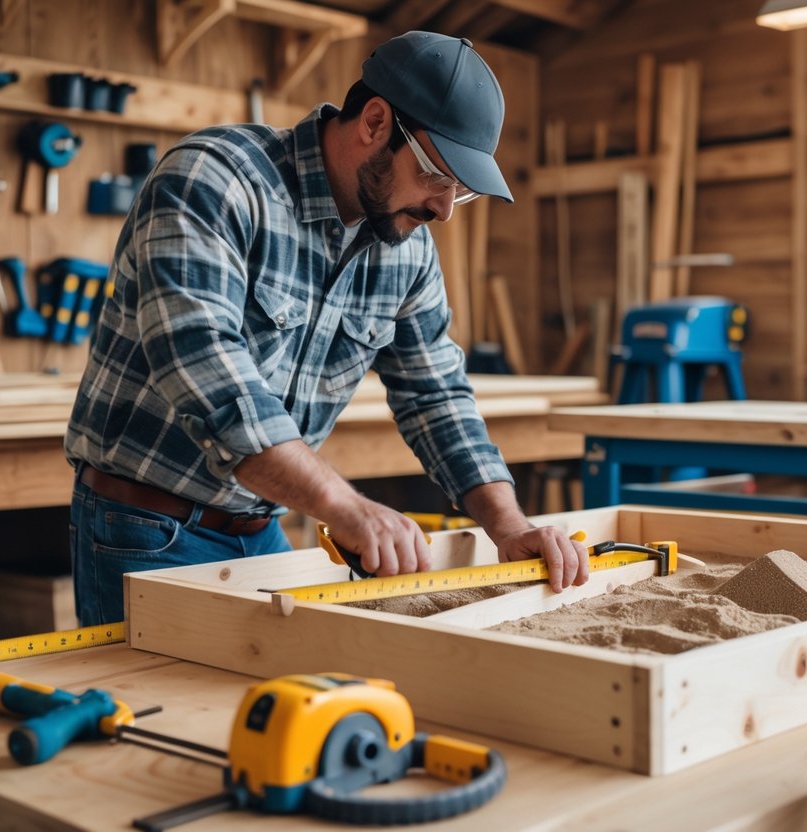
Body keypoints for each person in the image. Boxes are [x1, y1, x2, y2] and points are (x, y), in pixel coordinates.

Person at [64, 31, 589, 627]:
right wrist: (346, 507)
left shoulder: (404, 248)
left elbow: (435, 394)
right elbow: (205, 368)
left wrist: (507, 524)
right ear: (374, 121)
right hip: (142, 527)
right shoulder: (215, 180)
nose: (443, 210)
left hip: (263, 526)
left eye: (460, 194)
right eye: (439, 178)